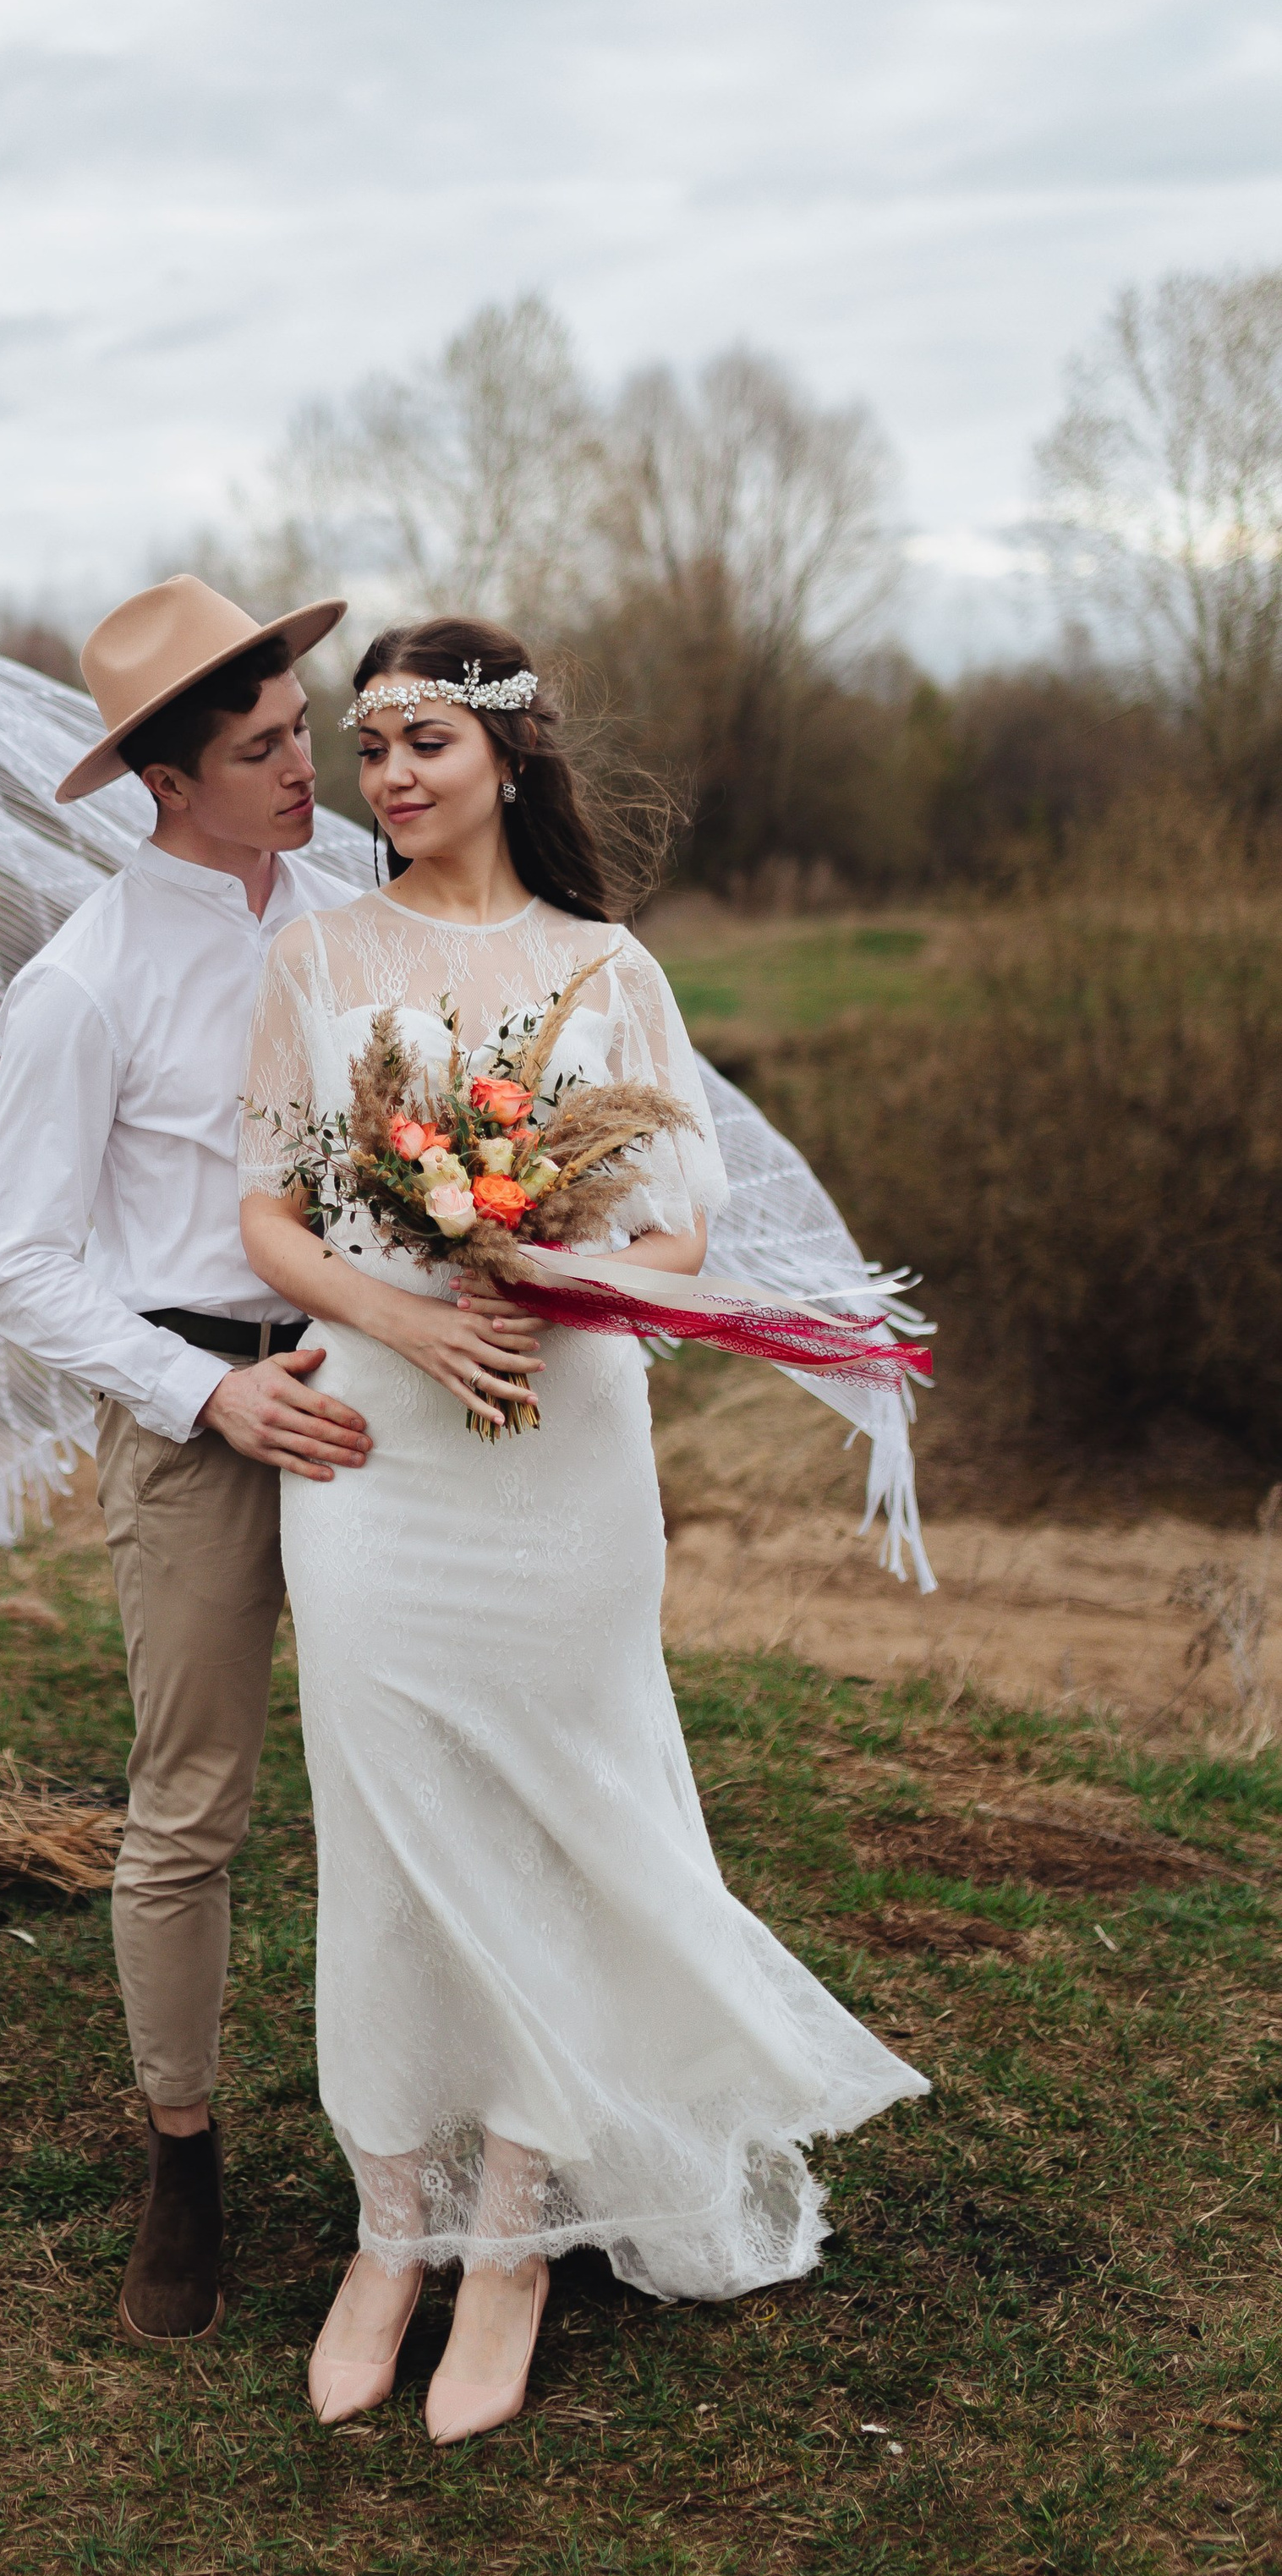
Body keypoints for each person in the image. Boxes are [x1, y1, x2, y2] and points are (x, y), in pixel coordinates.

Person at [238, 616, 926, 2444]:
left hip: (561, 1455)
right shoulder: (315, 956)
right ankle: (391, 2224)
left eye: (423, 741)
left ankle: (513, 2243)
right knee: (386, 1832)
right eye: (367, 744)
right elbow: (271, 1215)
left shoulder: (607, 969)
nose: (388, 774)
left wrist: (541, 1267)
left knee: (553, 1827)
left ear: (505, 756)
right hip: (377, 1452)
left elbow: (681, 1232)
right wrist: (406, 1320)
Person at [0, 574, 371, 2349]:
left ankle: (421, 2134)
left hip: (370, 1391)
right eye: (262, 750)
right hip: (192, 1420)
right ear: (165, 782)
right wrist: (206, 1397)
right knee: (190, 1806)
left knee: (404, 1770)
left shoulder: (357, 902)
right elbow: (13, 1265)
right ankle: (182, 2156)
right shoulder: (83, 983)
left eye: (301, 730)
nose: (305, 767)